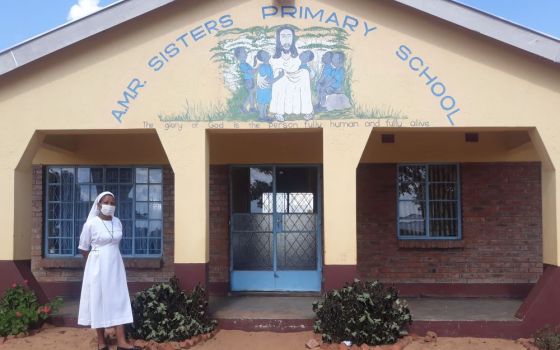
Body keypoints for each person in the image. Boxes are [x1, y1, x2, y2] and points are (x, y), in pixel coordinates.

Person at [78, 191, 139, 350]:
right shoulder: (90, 224)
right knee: (98, 299)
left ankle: (121, 342)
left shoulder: (118, 222)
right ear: (98, 205)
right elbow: (84, 248)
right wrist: (90, 267)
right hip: (97, 266)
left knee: (119, 299)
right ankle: (101, 342)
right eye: (106, 202)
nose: (109, 206)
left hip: (115, 264)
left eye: (112, 203)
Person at [269, 26, 314, 121]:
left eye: (289, 36)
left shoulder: (299, 56)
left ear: (293, 38)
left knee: (304, 73)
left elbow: (309, 72)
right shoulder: (273, 57)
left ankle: (307, 110)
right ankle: (279, 112)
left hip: (296, 80)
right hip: (282, 80)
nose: (286, 40)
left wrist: (307, 71)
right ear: (278, 39)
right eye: (283, 36)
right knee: (279, 75)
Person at [254, 49, 284, 122]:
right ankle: (261, 117)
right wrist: (279, 76)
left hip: (267, 88)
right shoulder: (262, 67)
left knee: (265, 102)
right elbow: (269, 80)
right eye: (265, 53)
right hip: (262, 89)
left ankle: (264, 116)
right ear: (263, 57)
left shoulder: (269, 65)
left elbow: (270, 79)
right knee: (262, 102)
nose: (267, 52)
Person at [233, 47, 256, 113]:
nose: (246, 53)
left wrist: (255, 63)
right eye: (243, 51)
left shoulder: (246, 64)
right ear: (239, 56)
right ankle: (251, 108)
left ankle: (243, 107)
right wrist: (258, 67)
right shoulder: (242, 65)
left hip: (251, 80)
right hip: (248, 81)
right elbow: (251, 71)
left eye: (245, 51)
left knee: (251, 93)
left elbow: (252, 70)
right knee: (251, 94)